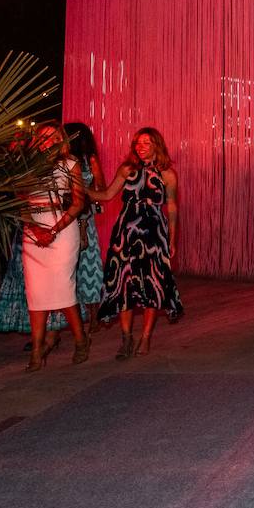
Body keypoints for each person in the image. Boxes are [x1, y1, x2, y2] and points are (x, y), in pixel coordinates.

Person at [93, 127, 182, 358]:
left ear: (156, 146)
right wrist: (79, 189)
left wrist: (172, 239)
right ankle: (126, 338)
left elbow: (171, 207)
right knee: (124, 285)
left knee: (151, 284)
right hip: (126, 234)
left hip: (154, 234)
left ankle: (146, 337)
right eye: (137, 143)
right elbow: (106, 195)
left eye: (146, 143)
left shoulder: (167, 174)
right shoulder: (126, 170)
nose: (140, 147)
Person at [19, 122, 90, 371]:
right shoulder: (25, 168)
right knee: (36, 292)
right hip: (33, 231)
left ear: (62, 140)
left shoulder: (71, 165)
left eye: (53, 137)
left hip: (62, 229)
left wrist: (54, 229)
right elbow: (20, 204)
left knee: (62, 287)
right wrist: (36, 228)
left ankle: (81, 339)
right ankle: (37, 350)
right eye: (43, 137)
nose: (48, 142)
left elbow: (78, 203)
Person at [64, 122, 106, 332]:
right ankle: (75, 315)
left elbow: (102, 188)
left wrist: (84, 194)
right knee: (72, 267)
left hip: (84, 219)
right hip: (65, 217)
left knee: (89, 265)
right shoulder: (62, 162)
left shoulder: (90, 161)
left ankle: (93, 314)